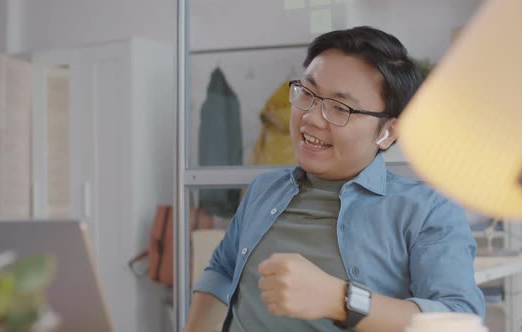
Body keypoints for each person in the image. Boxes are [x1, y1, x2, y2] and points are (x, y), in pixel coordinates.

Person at [185, 26, 485, 332]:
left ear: (388, 132)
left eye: (339, 108)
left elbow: (459, 321)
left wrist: (340, 299)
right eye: (307, 93)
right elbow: (222, 270)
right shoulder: (264, 188)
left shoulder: (426, 211)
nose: (312, 118)